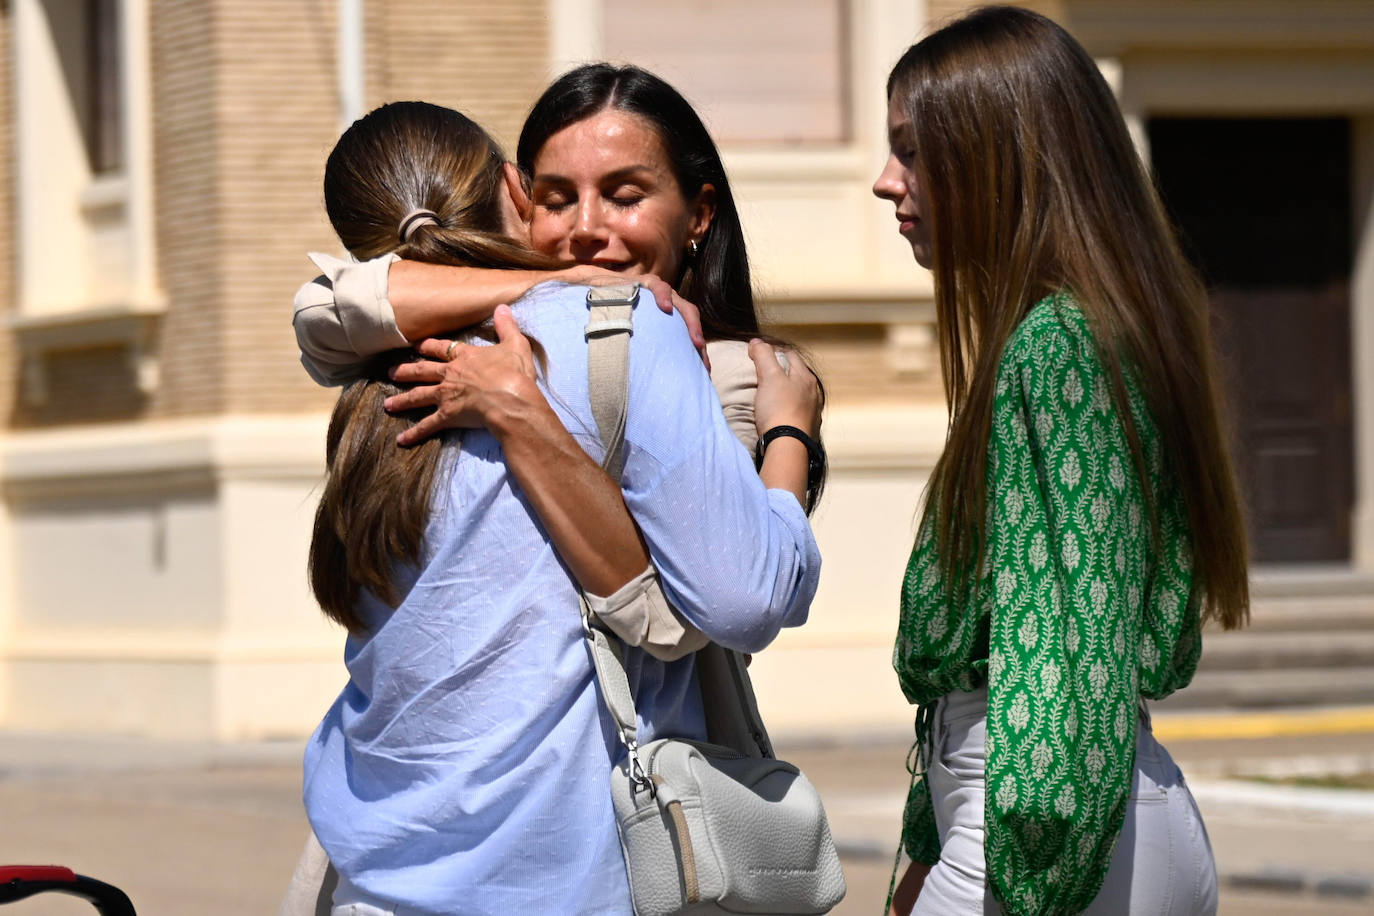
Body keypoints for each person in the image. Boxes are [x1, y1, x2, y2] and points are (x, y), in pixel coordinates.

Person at [299, 98, 822, 915]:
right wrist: (792, 434)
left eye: (623, 194)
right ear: (515, 189)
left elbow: (326, 304)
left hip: (377, 872)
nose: (587, 232)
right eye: (558, 196)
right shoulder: (623, 331)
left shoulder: (366, 372)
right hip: (564, 878)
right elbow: (745, 598)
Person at [872, 7, 1248, 915]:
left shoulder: (1057, 346)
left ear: (999, 155)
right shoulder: (1101, 329)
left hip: (1046, 840)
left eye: (915, 152)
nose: (887, 183)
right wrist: (925, 851)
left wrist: (1015, 877)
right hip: (1095, 821)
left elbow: (1067, 651)